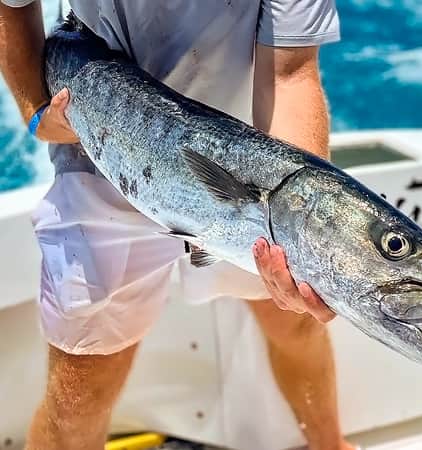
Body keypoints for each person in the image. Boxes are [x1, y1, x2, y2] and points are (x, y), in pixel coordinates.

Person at [0, 1, 356, 449]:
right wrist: (34, 111)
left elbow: (289, 73)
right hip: (104, 148)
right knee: (81, 387)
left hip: (243, 153)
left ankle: (331, 445)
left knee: (295, 319)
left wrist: (299, 240)